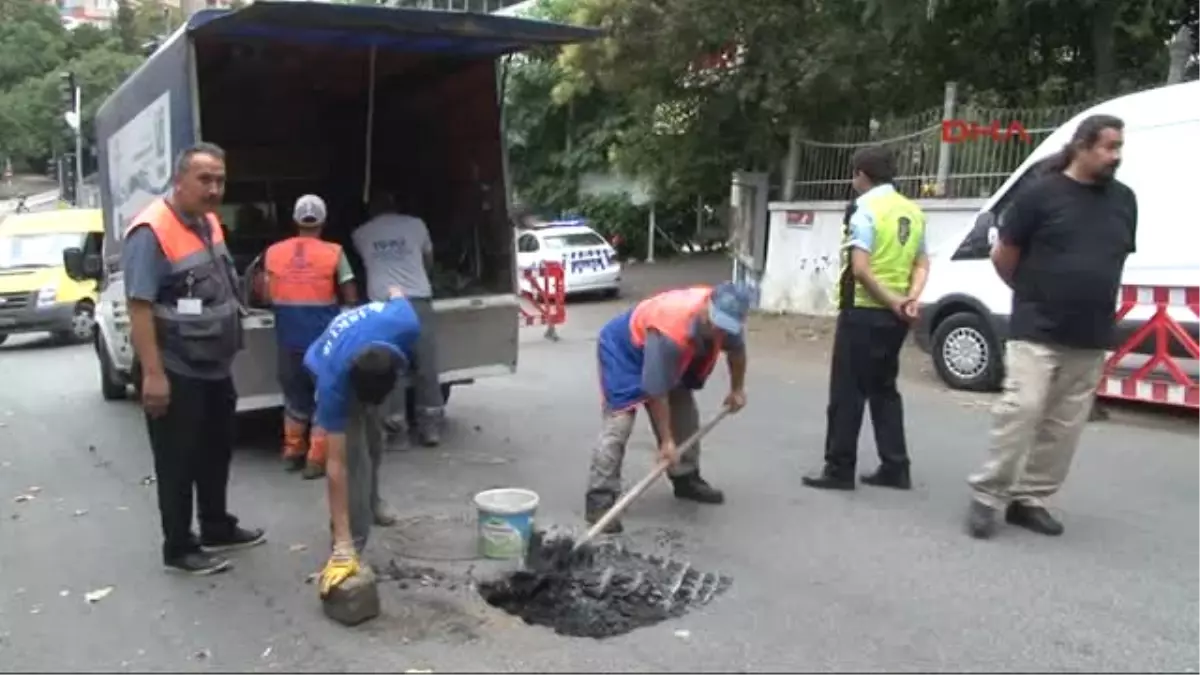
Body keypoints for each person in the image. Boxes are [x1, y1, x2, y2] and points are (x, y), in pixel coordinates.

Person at [966, 114, 1136, 539]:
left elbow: (1113, 259)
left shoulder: (1124, 200)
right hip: (1037, 328)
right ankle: (987, 496)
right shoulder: (1040, 195)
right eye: (1108, 146)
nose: (1116, 155)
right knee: (1021, 411)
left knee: (1064, 425)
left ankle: (1029, 499)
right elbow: (1003, 256)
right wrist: (1033, 294)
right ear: (1081, 146)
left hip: (1091, 332)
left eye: (1119, 147)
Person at [122, 142, 264, 576]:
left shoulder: (208, 223)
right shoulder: (151, 231)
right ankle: (180, 546)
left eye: (220, 179)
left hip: (214, 365)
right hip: (176, 366)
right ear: (179, 180)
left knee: (215, 450)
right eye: (205, 179)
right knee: (177, 459)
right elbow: (140, 306)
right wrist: (153, 374)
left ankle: (217, 525)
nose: (214, 188)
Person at [802, 147, 929, 492]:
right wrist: (909, 300)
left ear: (861, 175)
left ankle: (839, 468)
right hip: (897, 318)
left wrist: (891, 301)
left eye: (853, 174)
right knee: (884, 389)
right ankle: (896, 466)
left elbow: (860, 269)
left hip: (863, 311)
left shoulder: (864, 209)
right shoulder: (913, 211)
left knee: (848, 390)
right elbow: (921, 263)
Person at [584, 282, 751, 534]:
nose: (718, 331)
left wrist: (737, 389)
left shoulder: (728, 321)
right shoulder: (671, 328)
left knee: (684, 412)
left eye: (725, 328)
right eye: (715, 323)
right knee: (620, 423)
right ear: (707, 307)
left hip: (670, 350)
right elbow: (656, 391)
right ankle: (600, 500)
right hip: (624, 349)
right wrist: (666, 441)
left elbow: (737, 353)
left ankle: (686, 478)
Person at [306, 292, 420, 595]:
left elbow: (397, 290)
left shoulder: (405, 322)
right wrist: (343, 542)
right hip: (327, 357)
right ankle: (347, 547)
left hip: (365, 345)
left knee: (376, 441)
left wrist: (384, 298)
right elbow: (335, 466)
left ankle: (372, 504)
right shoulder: (334, 384)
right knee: (355, 462)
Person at [258, 194, 358, 480]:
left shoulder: (273, 252)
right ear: (323, 221)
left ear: (296, 220)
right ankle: (316, 460)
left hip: (288, 338)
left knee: (294, 396)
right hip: (323, 341)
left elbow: (265, 294)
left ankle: (292, 452)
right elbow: (349, 292)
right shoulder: (334, 253)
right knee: (324, 397)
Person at [352, 192, 442, 447]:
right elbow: (429, 259)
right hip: (418, 300)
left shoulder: (361, 234)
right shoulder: (417, 225)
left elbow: (363, 265)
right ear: (397, 206)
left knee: (391, 366)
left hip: (384, 306)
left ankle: (395, 430)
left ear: (371, 211)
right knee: (426, 365)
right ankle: (430, 428)